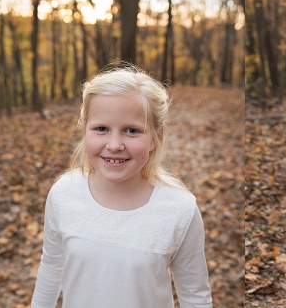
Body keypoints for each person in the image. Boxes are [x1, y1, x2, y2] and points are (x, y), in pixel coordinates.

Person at [31, 64, 212, 308]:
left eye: (131, 130)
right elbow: (51, 267)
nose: (114, 144)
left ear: (155, 138)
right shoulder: (63, 193)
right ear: (84, 130)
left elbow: (195, 295)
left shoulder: (180, 210)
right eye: (101, 129)